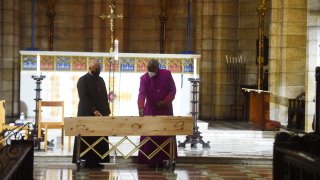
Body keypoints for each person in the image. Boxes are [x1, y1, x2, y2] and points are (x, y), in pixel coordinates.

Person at [137, 59, 177, 168]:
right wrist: (141, 108)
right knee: (150, 134)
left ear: (157, 69)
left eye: (152, 70)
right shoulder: (144, 78)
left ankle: (166, 158)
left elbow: (172, 90)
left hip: (165, 109)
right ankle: (149, 159)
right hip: (150, 109)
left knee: (165, 134)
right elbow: (141, 94)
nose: (150, 73)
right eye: (148, 70)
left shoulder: (167, 74)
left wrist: (165, 101)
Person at [72, 59, 111, 168]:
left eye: (99, 69)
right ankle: (85, 160)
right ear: (90, 69)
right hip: (87, 113)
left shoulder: (101, 80)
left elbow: (104, 97)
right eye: (95, 69)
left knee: (99, 138)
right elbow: (84, 98)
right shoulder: (82, 80)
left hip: (100, 114)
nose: (98, 71)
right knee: (87, 138)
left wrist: (106, 111)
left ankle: (98, 160)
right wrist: (94, 109)